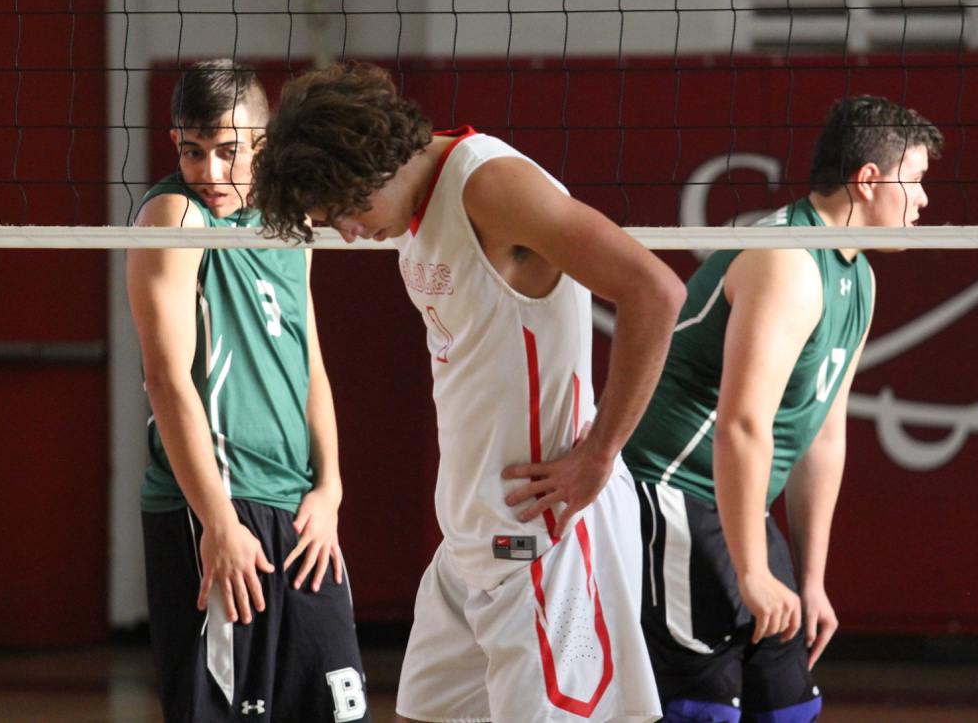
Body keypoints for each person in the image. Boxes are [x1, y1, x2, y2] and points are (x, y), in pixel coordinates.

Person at [249, 63, 686, 723]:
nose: (347, 230)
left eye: (348, 210)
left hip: (542, 537)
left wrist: (599, 453)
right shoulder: (412, 212)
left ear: (378, 163)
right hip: (468, 540)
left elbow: (656, 290)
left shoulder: (491, 186)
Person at [622, 95, 940, 723]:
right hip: (669, 491)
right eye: (918, 180)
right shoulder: (789, 261)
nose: (924, 201)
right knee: (704, 709)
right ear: (869, 181)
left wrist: (811, 579)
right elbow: (743, 425)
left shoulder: (858, 278)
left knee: (788, 705)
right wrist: (751, 569)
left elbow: (821, 438)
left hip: (730, 502)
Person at [126, 59, 369, 723]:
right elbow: (167, 377)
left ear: (263, 144)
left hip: (299, 512)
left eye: (229, 152)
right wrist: (216, 521)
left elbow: (308, 361)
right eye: (192, 150)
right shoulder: (174, 213)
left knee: (339, 707)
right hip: (216, 508)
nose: (209, 171)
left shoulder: (289, 222)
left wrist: (331, 487)